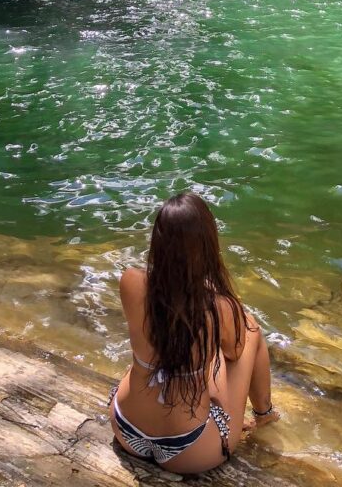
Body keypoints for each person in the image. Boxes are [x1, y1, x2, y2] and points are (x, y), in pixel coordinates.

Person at [108, 191, 280, 474]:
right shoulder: (218, 307)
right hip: (188, 450)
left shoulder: (131, 281)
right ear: (208, 244)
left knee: (160, 356)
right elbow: (235, 352)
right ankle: (265, 415)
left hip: (127, 428)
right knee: (250, 329)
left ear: (158, 240)